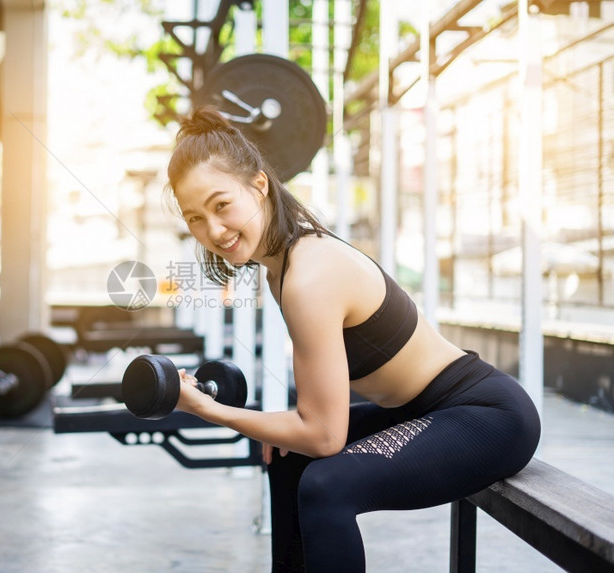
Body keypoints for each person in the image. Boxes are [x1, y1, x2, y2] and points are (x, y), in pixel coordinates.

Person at [165, 107, 541, 572]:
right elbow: (318, 410)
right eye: (195, 218)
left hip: (485, 416)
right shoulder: (280, 269)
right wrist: (280, 427)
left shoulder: (309, 274)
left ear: (259, 186)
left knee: (327, 483)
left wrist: (207, 408)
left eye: (221, 205)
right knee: (286, 456)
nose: (213, 230)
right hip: (421, 411)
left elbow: (325, 436)